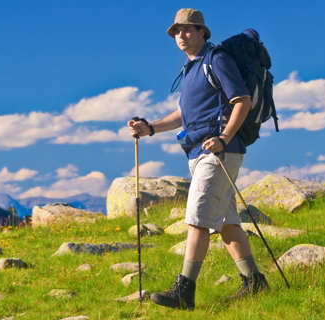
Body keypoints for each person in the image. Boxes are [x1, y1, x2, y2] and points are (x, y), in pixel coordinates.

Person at [127, 8, 268, 310]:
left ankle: (184, 290)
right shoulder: (191, 70)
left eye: (189, 30)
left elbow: (241, 100)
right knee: (227, 223)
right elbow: (184, 115)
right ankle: (255, 282)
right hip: (199, 152)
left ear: (203, 32)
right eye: (177, 31)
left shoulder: (216, 59)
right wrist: (150, 128)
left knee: (197, 218)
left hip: (218, 151)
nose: (182, 35)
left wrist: (225, 138)